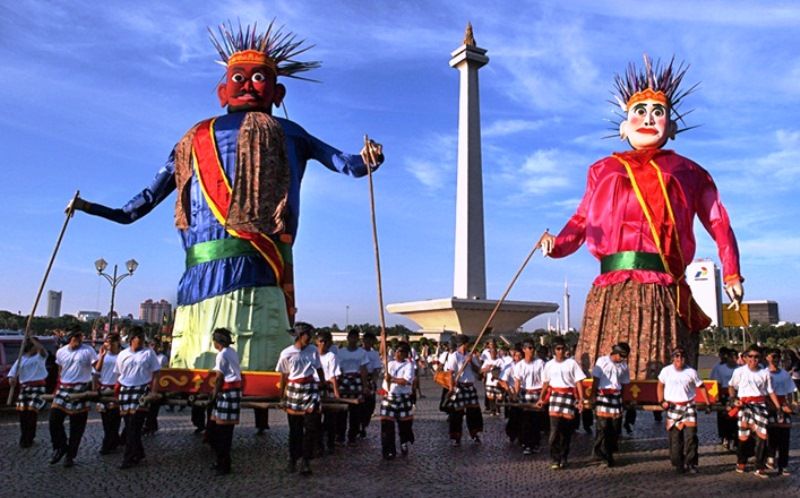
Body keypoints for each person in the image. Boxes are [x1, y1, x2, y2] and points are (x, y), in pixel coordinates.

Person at [67, 20, 384, 375]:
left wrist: (369, 157)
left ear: (278, 93)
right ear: (222, 92)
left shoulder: (290, 134)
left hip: (262, 264)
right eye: (239, 78)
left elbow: (349, 165)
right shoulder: (192, 139)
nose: (248, 85)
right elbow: (136, 206)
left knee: (257, 340)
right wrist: (89, 207)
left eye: (259, 77)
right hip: (200, 272)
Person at [539, 55, 743, 380]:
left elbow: (719, 222)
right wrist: (557, 244)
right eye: (640, 111)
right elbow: (581, 219)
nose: (649, 118)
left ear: (671, 127)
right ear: (624, 127)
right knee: (604, 374)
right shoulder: (602, 169)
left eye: (658, 112)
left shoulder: (690, 172)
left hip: (662, 285)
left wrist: (732, 274)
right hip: (611, 288)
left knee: (659, 373)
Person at [729, 345, 784, 478]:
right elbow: (731, 386)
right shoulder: (739, 372)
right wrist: (733, 399)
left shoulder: (765, 373)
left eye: (757, 356)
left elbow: (770, 391)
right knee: (744, 437)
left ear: (761, 358)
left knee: (762, 436)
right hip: (744, 406)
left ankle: (760, 466)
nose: (753, 359)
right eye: (751, 356)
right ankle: (741, 461)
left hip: (759, 406)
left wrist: (778, 407)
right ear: (745, 358)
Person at [276, 322, 324, 475]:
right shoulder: (286, 353)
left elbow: (318, 368)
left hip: (310, 390)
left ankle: (306, 461)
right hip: (293, 391)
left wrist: (322, 384)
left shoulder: (312, 350)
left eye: (310, 335)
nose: (309, 338)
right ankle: (293, 459)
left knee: (310, 429)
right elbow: (283, 376)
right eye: (306, 335)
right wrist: (282, 396)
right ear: (299, 336)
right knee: (295, 429)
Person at [48, 325, 98, 467]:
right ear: (69, 338)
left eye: (80, 336)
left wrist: (104, 355)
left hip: (81, 389)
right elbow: (60, 371)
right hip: (63, 388)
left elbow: (96, 369)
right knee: (54, 420)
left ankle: (70, 455)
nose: (78, 339)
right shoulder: (61, 352)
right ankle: (60, 447)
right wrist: (56, 389)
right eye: (75, 337)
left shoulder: (88, 351)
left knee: (77, 427)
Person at [657, 347, 710, 474]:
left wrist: (708, 403)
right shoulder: (666, 371)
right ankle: (678, 463)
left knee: (691, 437)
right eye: (676, 356)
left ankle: (691, 463)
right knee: (675, 438)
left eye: (681, 356)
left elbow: (701, 387)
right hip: (673, 407)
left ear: (685, 358)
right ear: (672, 358)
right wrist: (661, 401)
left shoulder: (691, 372)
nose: (679, 359)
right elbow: (660, 385)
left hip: (689, 407)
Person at [115, 326, 162, 469]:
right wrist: (116, 392)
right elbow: (118, 374)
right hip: (125, 390)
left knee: (134, 425)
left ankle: (128, 458)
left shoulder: (149, 353)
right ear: (131, 339)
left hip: (141, 390)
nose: (141, 341)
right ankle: (139, 452)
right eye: (139, 338)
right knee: (129, 425)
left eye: (143, 338)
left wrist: (153, 392)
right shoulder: (122, 354)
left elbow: (156, 373)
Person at [536, 337, 586, 470]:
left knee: (566, 432)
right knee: (554, 432)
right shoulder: (549, 365)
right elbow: (546, 384)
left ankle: (564, 457)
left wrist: (581, 399)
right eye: (558, 349)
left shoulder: (572, 364)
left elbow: (578, 382)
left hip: (569, 398)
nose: (560, 351)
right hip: (554, 399)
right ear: (554, 350)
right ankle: (554, 458)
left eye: (562, 348)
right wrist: (541, 398)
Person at [588, 342, 631, 467]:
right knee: (602, 428)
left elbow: (624, 385)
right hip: (603, 396)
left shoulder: (623, 366)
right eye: (621, 356)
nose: (623, 359)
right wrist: (593, 396)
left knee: (615, 428)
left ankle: (610, 453)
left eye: (625, 357)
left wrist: (623, 400)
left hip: (616, 398)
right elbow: (595, 380)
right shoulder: (602, 361)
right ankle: (600, 454)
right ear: (615, 353)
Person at [208, 328, 242, 476]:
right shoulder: (232, 351)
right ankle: (221, 461)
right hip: (233, 391)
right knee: (223, 431)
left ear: (217, 342)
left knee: (223, 432)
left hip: (226, 393)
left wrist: (213, 396)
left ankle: (224, 464)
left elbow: (219, 378)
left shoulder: (221, 355)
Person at [8, 336, 48, 448]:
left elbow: (41, 349)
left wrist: (30, 337)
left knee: (31, 412)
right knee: (23, 413)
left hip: (37, 387)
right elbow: (12, 373)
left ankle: (29, 437)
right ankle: (24, 436)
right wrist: (12, 379)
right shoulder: (22, 359)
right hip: (25, 387)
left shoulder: (40, 357)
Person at [444, 334, 484, 446]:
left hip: (470, 386)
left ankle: (475, 434)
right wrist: (451, 388)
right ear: (463, 344)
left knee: (474, 412)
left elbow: (478, 372)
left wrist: (470, 361)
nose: (468, 346)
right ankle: (456, 437)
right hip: (459, 386)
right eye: (467, 344)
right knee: (457, 413)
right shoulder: (454, 356)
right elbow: (450, 374)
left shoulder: (471, 356)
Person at [380, 342, 415, 460]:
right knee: (387, 426)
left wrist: (392, 379)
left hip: (403, 397)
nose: (397, 354)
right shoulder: (389, 364)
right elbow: (382, 352)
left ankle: (403, 443)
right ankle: (389, 450)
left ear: (405, 354)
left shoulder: (408, 365)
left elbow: (406, 381)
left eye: (400, 352)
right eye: (396, 351)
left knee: (405, 425)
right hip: (389, 397)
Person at [336, 328, 370, 446]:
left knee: (355, 411)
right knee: (342, 410)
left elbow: (363, 369)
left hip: (356, 380)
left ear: (357, 339)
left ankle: (352, 436)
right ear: (348, 338)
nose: (353, 340)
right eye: (351, 337)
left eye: (355, 338)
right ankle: (340, 435)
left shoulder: (362, 353)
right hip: (344, 380)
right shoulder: (341, 352)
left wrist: (365, 385)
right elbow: (338, 368)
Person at [765, 348, 796, 476]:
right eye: (773, 357)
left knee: (785, 436)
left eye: (777, 357)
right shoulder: (764, 373)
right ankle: (771, 456)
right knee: (772, 434)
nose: (775, 360)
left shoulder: (784, 374)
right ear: (767, 358)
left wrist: (790, 404)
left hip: (783, 405)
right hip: (769, 405)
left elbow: (790, 391)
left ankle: (784, 464)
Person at [512, 340, 545, 455]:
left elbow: (544, 381)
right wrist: (515, 395)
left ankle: (535, 443)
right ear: (524, 350)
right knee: (526, 420)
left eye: (533, 348)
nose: (531, 350)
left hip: (537, 393)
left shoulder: (540, 363)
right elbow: (517, 381)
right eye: (529, 348)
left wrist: (542, 396)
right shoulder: (519, 365)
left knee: (536, 420)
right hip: (525, 394)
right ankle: (527, 444)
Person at [93, 333, 123, 454]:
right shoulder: (102, 355)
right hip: (104, 388)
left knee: (114, 418)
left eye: (111, 342)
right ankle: (113, 439)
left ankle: (108, 443)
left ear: (117, 342)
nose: (109, 344)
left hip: (116, 388)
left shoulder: (121, 355)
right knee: (105, 419)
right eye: (107, 342)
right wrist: (102, 356)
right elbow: (97, 370)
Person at [315, 330, 341, 455]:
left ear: (330, 343)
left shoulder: (332, 357)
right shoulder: (312, 355)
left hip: (328, 388)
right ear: (317, 342)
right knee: (315, 420)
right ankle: (318, 445)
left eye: (326, 342)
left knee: (330, 419)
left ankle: (330, 444)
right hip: (314, 389)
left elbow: (334, 376)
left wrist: (336, 394)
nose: (323, 344)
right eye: (321, 341)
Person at [710, 347, 738, 450]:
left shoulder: (739, 368)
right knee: (723, 417)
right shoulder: (719, 368)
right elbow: (715, 382)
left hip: (737, 393)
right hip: (723, 394)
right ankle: (725, 436)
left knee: (736, 416)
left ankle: (735, 438)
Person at [143, 339, 168, 435]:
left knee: (153, 407)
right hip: (147, 383)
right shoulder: (147, 356)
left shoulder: (162, 358)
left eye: (155, 345)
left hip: (158, 384)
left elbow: (165, 371)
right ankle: (149, 425)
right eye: (151, 345)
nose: (153, 347)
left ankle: (150, 425)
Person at [361, 332, 382, 438]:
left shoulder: (374, 354)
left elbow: (376, 368)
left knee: (370, 404)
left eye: (370, 341)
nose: (368, 343)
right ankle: (358, 425)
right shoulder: (358, 352)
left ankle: (364, 424)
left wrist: (373, 381)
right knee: (359, 404)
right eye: (366, 340)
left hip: (370, 378)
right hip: (359, 379)